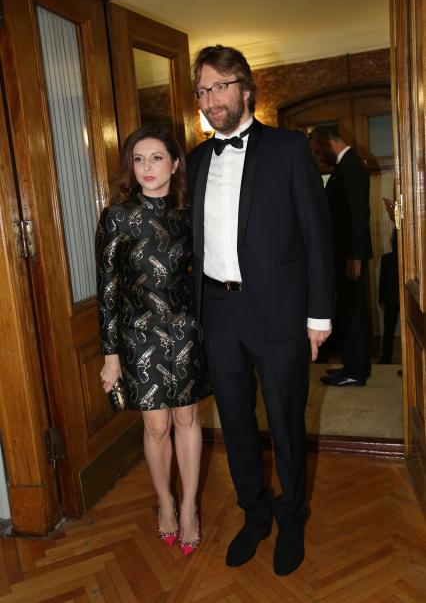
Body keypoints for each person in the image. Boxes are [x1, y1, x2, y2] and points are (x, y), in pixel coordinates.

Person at [187, 45, 334, 576]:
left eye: (220, 87)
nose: (211, 100)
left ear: (245, 89)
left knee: (287, 421)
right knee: (234, 421)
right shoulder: (196, 160)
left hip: (279, 312)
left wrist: (319, 315)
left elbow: (317, 235)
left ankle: (292, 516)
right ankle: (255, 513)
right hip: (218, 311)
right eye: (202, 91)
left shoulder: (289, 148)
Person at [96, 125, 210, 556]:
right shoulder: (117, 217)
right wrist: (110, 356)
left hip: (185, 332)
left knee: (186, 419)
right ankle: (165, 502)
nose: (147, 167)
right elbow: (107, 290)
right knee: (156, 426)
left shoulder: (188, 215)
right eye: (139, 159)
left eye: (157, 157)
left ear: (175, 164)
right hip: (138, 335)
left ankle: (189, 508)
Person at [310, 126, 372, 387]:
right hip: (344, 253)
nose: (319, 157)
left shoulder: (352, 165)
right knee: (347, 310)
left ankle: (356, 371)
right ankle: (351, 366)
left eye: (318, 151)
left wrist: (355, 256)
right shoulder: (344, 166)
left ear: (327, 143)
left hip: (350, 255)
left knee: (354, 312)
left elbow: (359, 215)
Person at [378, 197, 399, 363]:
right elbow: (383, 282)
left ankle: (386, 358)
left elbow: (382, 284)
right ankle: (386, 357)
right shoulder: (388, 259)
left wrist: (382, 300)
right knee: (389, 329)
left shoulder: (387, 260)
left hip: (392, 300)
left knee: (388, 329)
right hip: (395, 300)